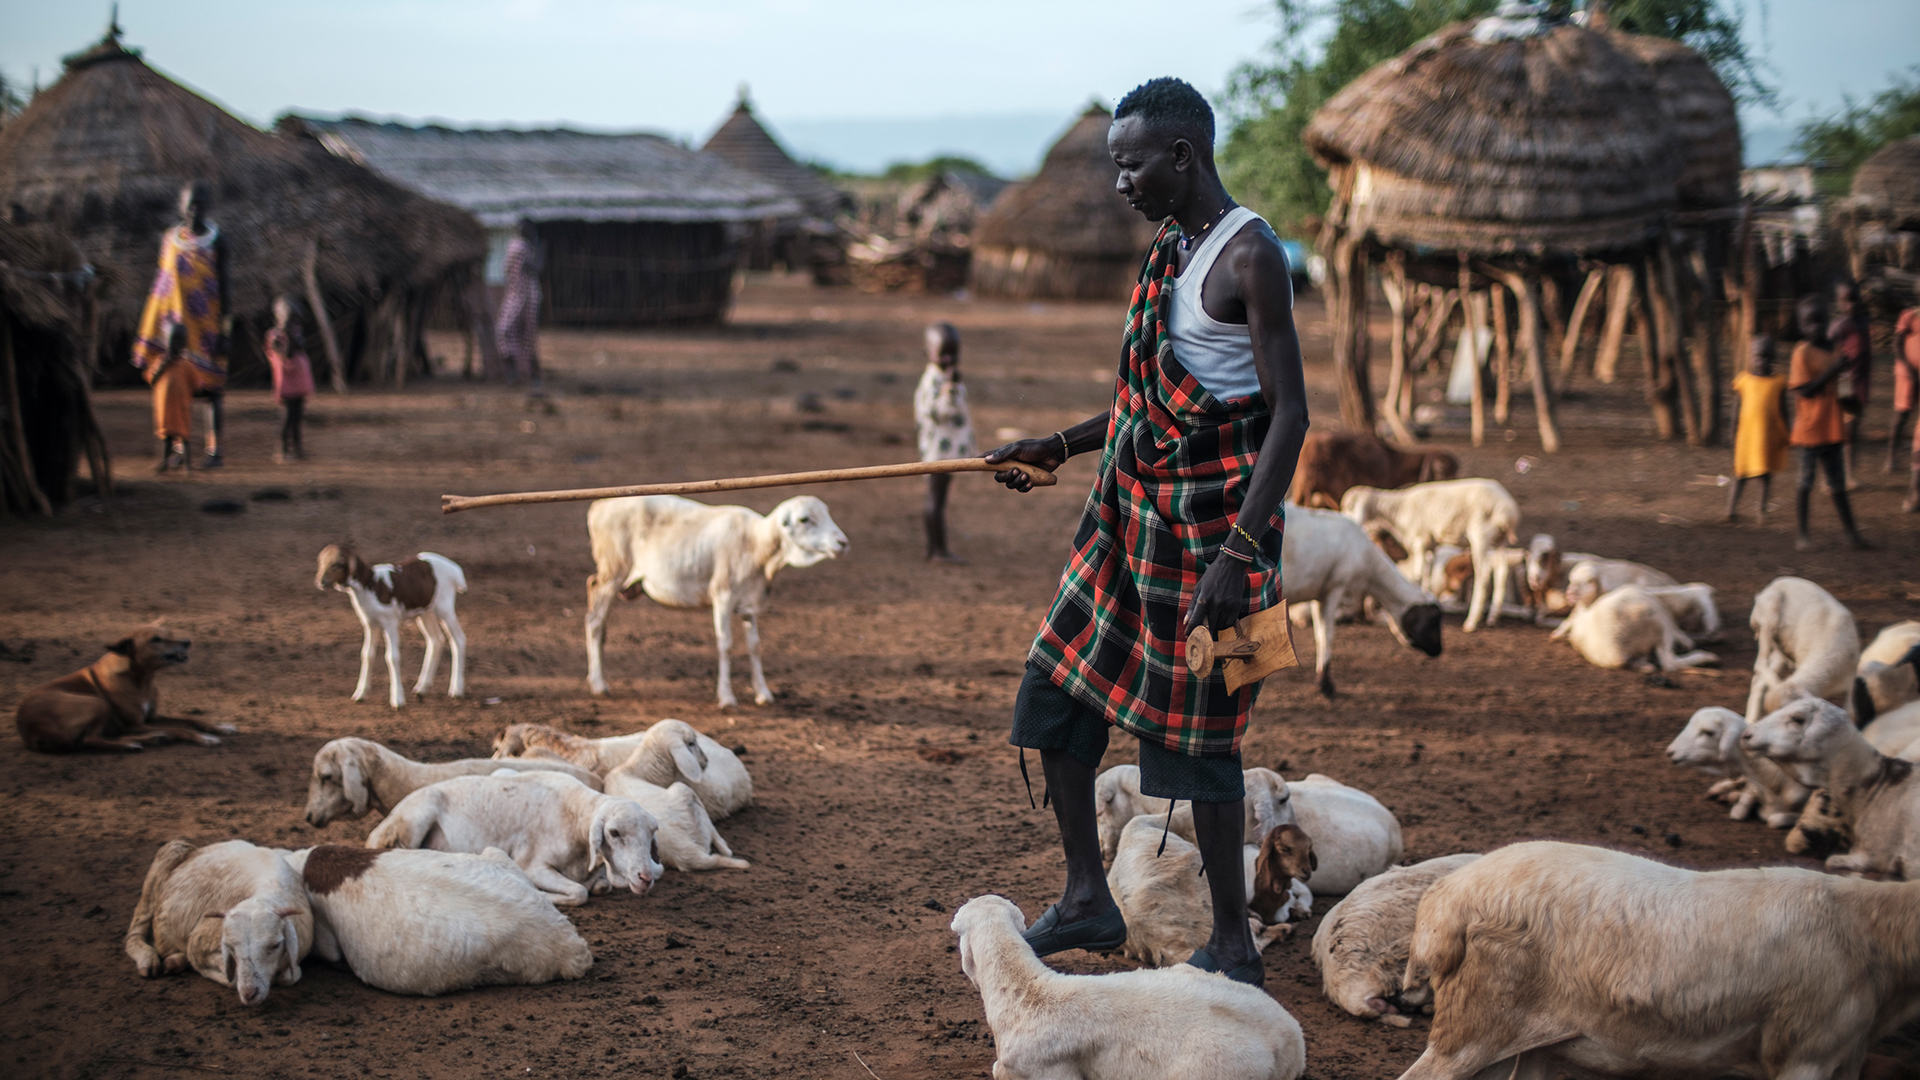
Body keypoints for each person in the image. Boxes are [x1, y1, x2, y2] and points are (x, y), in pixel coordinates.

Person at [984, 77, 1309, 987]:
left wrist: (1240, 557)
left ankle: (1234, 947)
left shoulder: (1253, 257)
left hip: (1219, 536)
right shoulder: (1173, 247)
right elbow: (1141, 402)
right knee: (1052, 693)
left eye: (1130, 166)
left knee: (1206, 741)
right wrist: (1058, 444)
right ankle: (1089, 896)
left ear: (1181, 157)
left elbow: (1290, 417)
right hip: (1131, 521)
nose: (1118, 185)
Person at [131, 180, 228, 467]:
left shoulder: (217, 240)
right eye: (189, 204)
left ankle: (214, 452)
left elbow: (227, 287)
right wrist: (151, 329)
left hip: (207, 327)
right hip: (172, 329)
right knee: (172, 389)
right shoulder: (169, 239)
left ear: (208, 207)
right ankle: (176, 449)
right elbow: (162, 284)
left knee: (213, 390)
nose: (194, 210)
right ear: (180, 206)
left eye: (200, 204)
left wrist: (226, 330)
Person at [1789, 294, 1872, 551]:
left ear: (1829, 321)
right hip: (1809, 430)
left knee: (1838, 485)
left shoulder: (1835, 349)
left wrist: (1852, 404)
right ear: (1801, 326)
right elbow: (1804, 391)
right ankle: (1802, 535)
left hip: (1832, 428)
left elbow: (1842, 388)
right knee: (1805, 482)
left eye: (1820, 321)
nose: (1815, 327)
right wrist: (1832, 371)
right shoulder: (1801, 353)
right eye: (1809, 323)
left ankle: (1851, 534)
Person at [914, 322, 973, 562]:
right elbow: (936, 413)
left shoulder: (946, 377)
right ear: (929, 353)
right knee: (935, 500)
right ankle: (937, 550)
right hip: (938, 452)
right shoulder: (933, 382)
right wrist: (950, 388)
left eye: (954, 353)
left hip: (947, 451)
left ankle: (937, 548)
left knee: (939, 499)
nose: (949, 359)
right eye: (943, 354)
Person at [1725, 334, 1788, 523]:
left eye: (1767, 356)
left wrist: (1787, 432)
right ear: (1751, 356)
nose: (1762, 361)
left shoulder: (1778, 382)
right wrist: (1732, 432)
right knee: (1740, 473)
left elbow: (1783, 410)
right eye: (1758, 356)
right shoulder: (1743, 380)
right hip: (1746, 436)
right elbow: (1736, 410)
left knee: (1764, 473)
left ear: (1774, 358)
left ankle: (1761, 509)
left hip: (1768, 437)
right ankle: (1730, 509)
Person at [1830, 278, 1872, 484]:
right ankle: (1838, 475)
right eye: (1845, 301)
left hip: (1861, 382)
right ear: (1838, 302)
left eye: (1854, 299)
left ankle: (1849, 474)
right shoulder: (1839, 326)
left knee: (1853, 432)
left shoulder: (1864, 323)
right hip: (1845, 382)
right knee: (1844, 431)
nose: (1851, 305)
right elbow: (1829, 352)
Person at [265, 296, 315, 463]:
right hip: (286, 383)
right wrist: (286, 332)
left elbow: (301, 347)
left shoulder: (296, 333)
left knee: (297, 416)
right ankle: (283, 450)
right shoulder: (274, 336)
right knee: (287, 417)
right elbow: (285, 354)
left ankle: (298, 448)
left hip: (299, 382)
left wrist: (292, 333)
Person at [496, 221, 543, 387]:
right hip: (515, 295)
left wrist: (530, 257)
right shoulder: (516, 246)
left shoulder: (534, 249)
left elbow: (537, 267)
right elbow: (508, 269)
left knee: (528, 337)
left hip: (530, 297)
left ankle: (533, 377)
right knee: (504, 330)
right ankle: (513, 371)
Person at [148, 324, 194, 472]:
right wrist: (163, 366)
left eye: (178, 341)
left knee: (183, 434)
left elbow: (195, 383)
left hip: (181, 405)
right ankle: (164, 464)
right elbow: (151, 379)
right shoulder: (161, 362)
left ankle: (187, 466)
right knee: (166, 434)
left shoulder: (186, 364)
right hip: (164, 406)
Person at [1892, 302, 1918, 473]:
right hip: (1908, 376)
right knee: (1903, 414)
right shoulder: (1909, 316)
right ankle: (1891, 456)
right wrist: (1908, 368)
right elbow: (1897, 343)